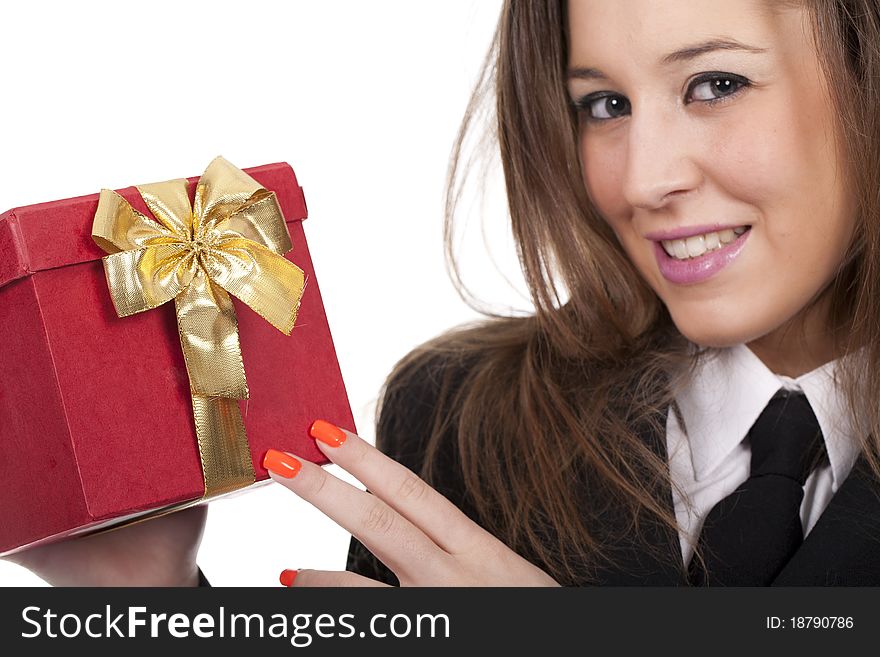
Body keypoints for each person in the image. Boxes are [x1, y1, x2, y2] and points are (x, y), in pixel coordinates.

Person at [7, 0, 880, 587]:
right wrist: (148, 599)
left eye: (715, 85)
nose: (643, 180)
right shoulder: (461, 412)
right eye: (603, 104)